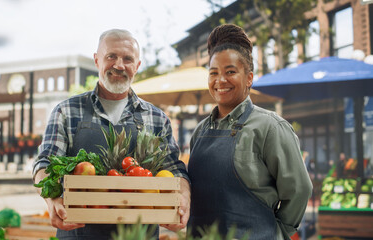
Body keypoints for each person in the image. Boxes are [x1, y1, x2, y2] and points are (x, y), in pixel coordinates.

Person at [32, 29, 190, 239]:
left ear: (137, 66)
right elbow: (45, 163)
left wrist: (184, 197)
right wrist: (51, 199)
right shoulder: (66, 111)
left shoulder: (157, 117)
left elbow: (173, 167)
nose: (119, 65)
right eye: (111, 56)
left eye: (127, 59)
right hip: (78, 233)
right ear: (97, 60)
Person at [187, 24, 312, 240]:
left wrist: (276, 233)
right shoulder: (200, 131)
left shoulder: (270, 127)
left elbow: (299, 191)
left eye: (231, 72)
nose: (221, 80)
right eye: (213, 73)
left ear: (249, 78)